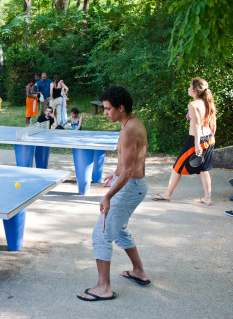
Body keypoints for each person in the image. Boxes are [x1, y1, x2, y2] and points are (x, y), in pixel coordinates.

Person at [77, 86, 149, 302]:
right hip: (134, 184)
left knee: (101, 234)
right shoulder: (130, 124)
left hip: (131, 186)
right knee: (119, 231)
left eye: (108, 109)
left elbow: (128, 171)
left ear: (121, 107)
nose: (105, 112)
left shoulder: (129, 130)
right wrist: (115, 173)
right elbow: (128, 164)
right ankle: (139, 272)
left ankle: (103, 287)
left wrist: (108, 195)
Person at [152, 78, 216, 206]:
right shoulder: (207, 102)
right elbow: (213, 121)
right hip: (209, 138)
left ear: (195, 90)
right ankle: (207, 198)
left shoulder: (193, 105)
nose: (188, 88)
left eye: (189, 86)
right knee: (203, 169)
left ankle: (167, 194)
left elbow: (197, 125)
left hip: (195, 140)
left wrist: (197, 144)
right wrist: (211, 137)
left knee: (177, 167)